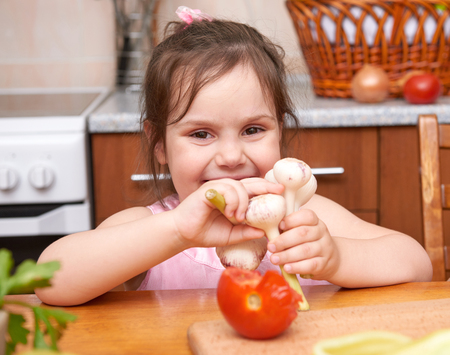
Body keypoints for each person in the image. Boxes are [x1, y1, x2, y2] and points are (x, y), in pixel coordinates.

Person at [36, 7, 432, 306]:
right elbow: (49, 280)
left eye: (253, 130)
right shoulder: (151, 227)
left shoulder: (304, 217)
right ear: (159, 144)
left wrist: (336, 257)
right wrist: (177, 231)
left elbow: (416, 263)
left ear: (280, 129)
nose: (230, 156)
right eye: (201, 134)